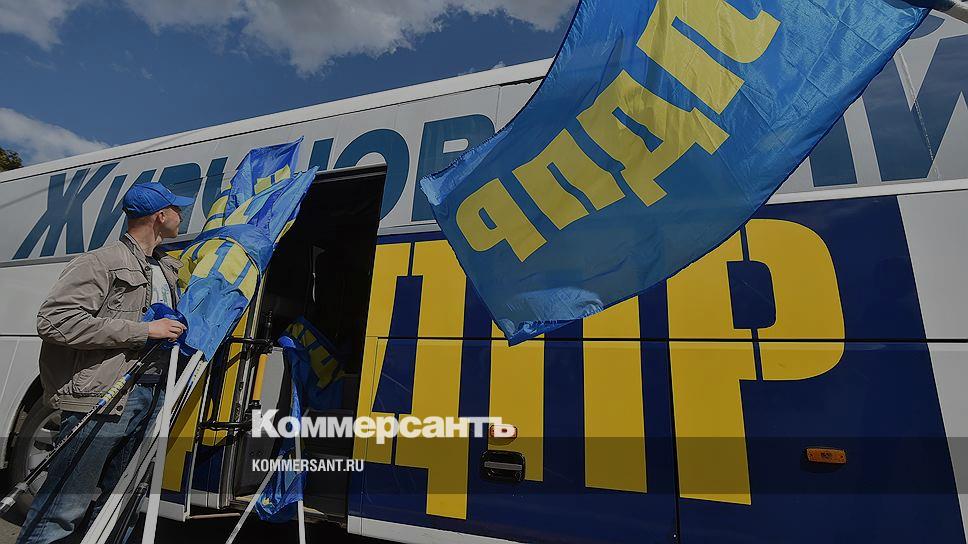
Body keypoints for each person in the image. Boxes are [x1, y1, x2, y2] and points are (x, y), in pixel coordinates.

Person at [16, 183, 194, 544]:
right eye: (177, 209)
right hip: (106, 398)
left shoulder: (166, 268)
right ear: (160, 216)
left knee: (121, 504)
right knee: (65, 506)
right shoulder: (101, 261)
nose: (182, 215)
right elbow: (55, 321)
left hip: (152, 394)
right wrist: (144, 330)